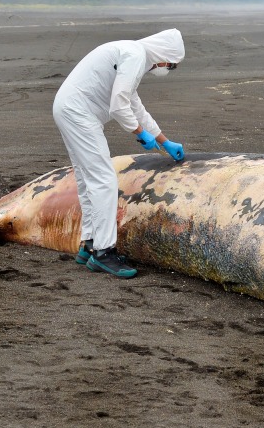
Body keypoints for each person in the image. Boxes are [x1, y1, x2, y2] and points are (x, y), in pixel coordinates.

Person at [52, 28, 186, 279]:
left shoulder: (132, 55)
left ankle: (90, 244)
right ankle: (104, 253)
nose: (167, 69)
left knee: (88, 180)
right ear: (164, 56)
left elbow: (135, 106)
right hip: (78, 113)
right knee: (104, 180)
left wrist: (164, 141)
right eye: (172, 65)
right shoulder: (135, 55)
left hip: (69, 108)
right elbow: (118, 105)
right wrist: (140, 134)